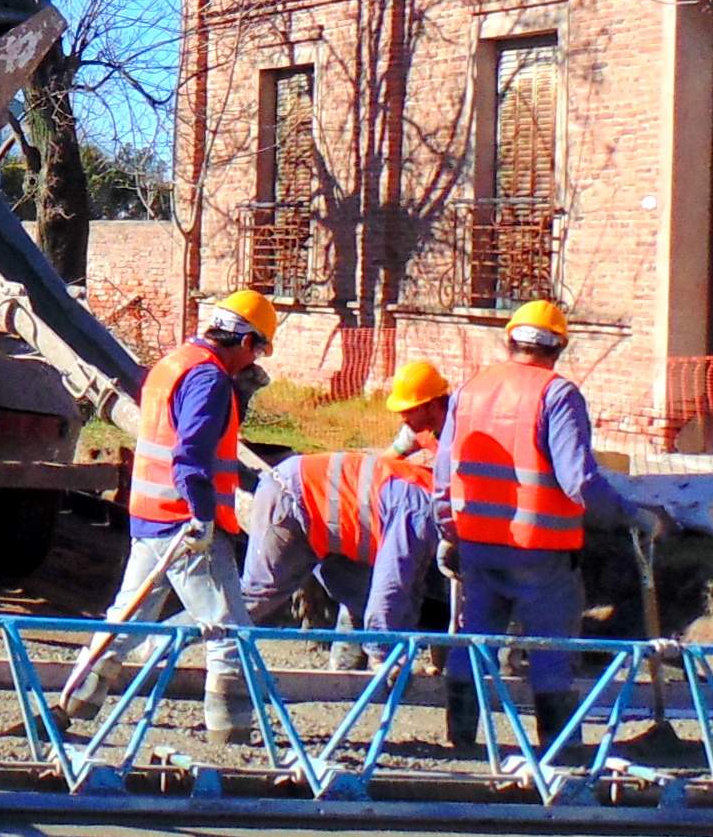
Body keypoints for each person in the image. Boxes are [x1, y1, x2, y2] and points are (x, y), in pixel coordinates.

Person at [441, 300, 666, 742]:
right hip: (540, 550)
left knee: (472, 640)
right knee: (551, 648)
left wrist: (447, 531)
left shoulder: (469, 391)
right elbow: (579, 481)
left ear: (510, 340)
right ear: (559, 348)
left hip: (478, 544)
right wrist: (633, 516)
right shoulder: (557, 395)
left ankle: (461, 740)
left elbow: (443, 472)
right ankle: (558, 750)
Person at [61, 289, 278, 739]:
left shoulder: (174, 364)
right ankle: (231, 727)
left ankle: (74, 701)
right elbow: (191, 455)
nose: (254, 360)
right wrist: (201, 516)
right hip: (187, 524)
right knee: (229, 630)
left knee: (127, 617)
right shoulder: (210, 379)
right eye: (257, 348)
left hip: (150, 517)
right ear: (244, 340)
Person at [241, 360, 452, 660]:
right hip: (297, 497)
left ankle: (344, 674)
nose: (403, 418)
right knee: (259, 595)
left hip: (327, 509)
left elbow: (404, 588)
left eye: (408, 410)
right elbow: (395, 583)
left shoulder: (456, 443)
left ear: (431, 405)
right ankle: (173, 645)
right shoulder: (418, 510)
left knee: (363, 593)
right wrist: (384, 656)